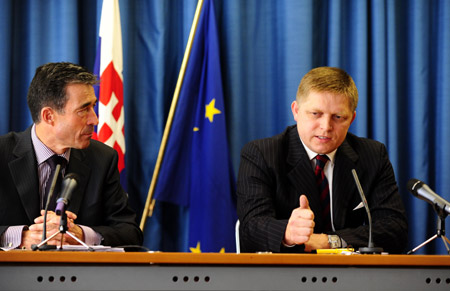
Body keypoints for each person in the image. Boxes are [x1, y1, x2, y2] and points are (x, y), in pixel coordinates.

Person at [237, 67, 408, 254]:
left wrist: (328, 241)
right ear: (296, 110)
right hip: (285, 274)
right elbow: (251, 229)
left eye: (338, 117)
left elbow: (394, 229)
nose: (326, 127)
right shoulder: (261, 154)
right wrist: (287, 233)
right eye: (315, 114)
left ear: (351, 119)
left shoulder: (373, 155)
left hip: (352, 275)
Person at [0, 62, 143, 250]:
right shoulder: (3, 153)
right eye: (84, 110)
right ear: (49, 116)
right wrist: (20, 236)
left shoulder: (103, 159)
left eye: (93, 107)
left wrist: (80, 234)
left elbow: (130, 232)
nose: (95, 119)